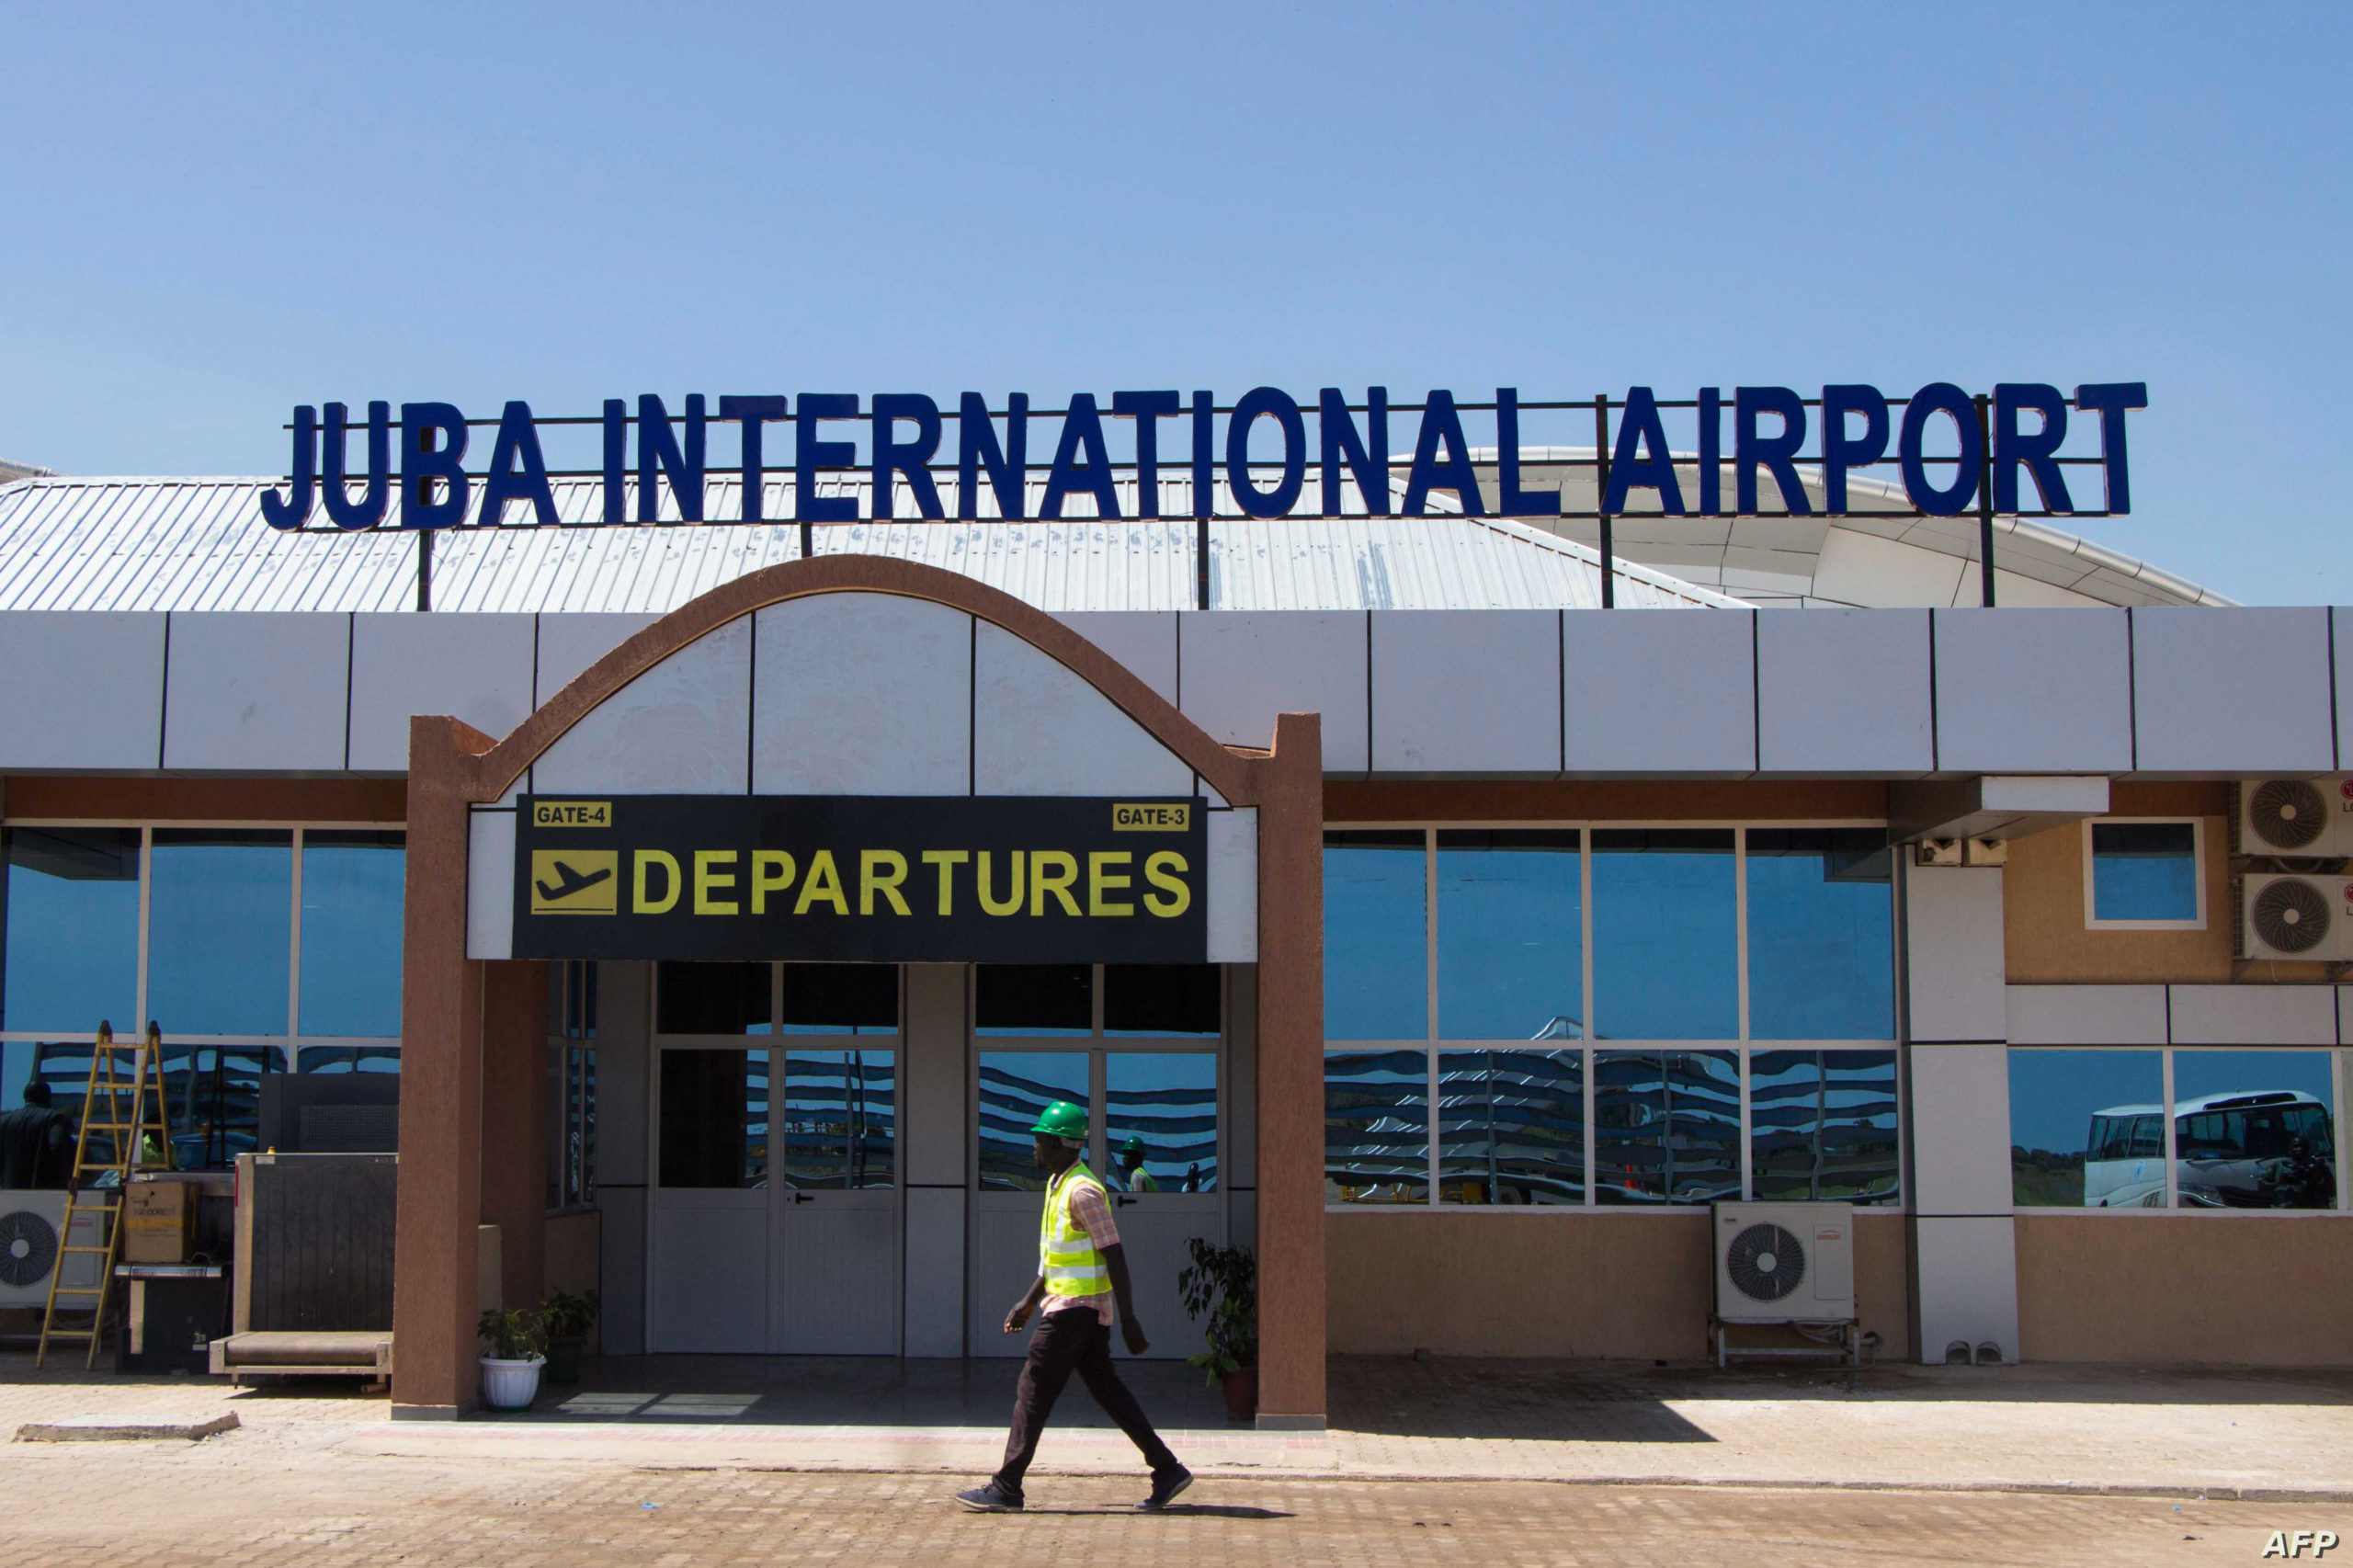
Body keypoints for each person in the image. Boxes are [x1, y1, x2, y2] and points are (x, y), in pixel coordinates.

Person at [956, 1101, 1191, 1514]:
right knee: (1108, 1391)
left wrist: (1131, 1319)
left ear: (1062, 1145)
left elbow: (1114, 1255)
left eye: (1040, 1140)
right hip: (1070, 1307)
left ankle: (1007, 1487)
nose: (1034, 1147)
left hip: (1076, 1311)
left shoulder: (1082, 1191)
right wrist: (1029, 1301)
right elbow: (1057, 1258)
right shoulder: (1057, 1185)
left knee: (1032, 1391)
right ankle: (1167, 1468)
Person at [0, 1081, 75, 1189]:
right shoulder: (55, 1119)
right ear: (47, 1097)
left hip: (10, 1189)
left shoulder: (4, 1121)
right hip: (43, 1189)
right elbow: (58, 1147)